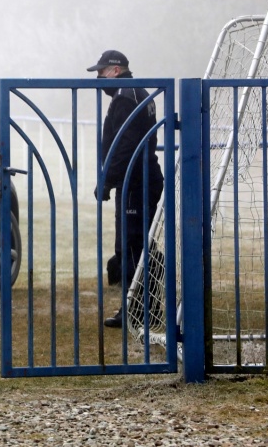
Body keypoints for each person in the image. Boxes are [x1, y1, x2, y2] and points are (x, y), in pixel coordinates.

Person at [88, 50, 164, 328]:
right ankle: (147, 305)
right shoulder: (135, 92)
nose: (98, 77)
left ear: (115, 70)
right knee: (140, 243)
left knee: (131, 244)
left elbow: (126, 145)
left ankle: (137, 308)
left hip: (136, 179)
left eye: (101, 71)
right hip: (139, 177)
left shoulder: (124, 96)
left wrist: (108, 179)